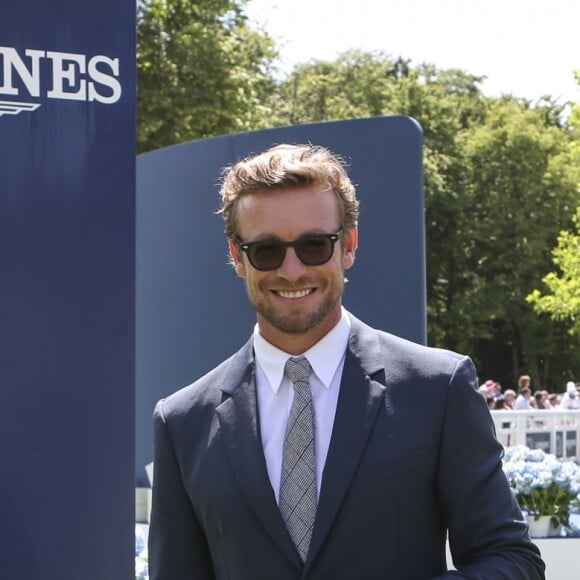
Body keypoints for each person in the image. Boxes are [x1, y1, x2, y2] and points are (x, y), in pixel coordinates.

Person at [148, 143, 544, 579]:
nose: (293, 269)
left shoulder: (437, 388)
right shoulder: (183, 421)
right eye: (266, 250)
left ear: (348, 244)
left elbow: (512, 560)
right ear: (237, 256)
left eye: (315, 245)